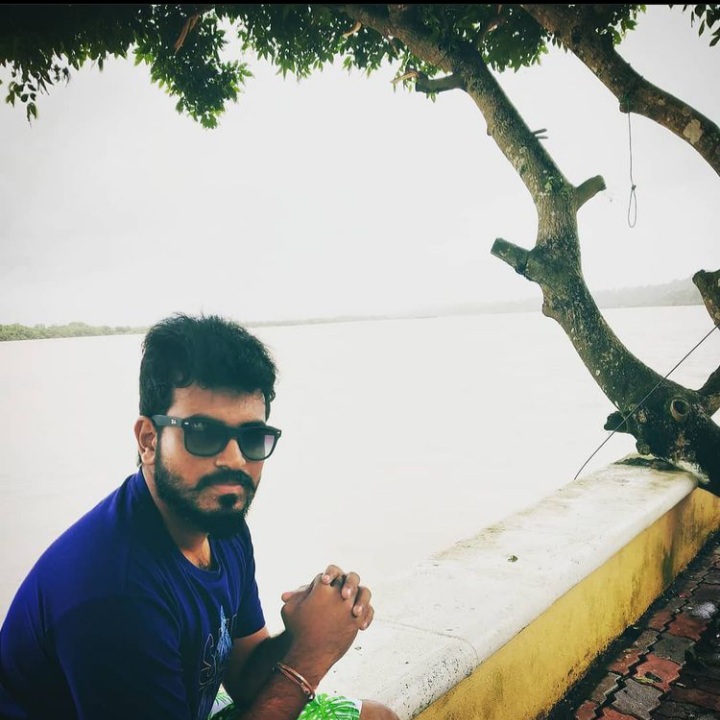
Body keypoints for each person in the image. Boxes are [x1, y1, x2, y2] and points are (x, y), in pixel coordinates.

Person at [0, 313, 399, 720]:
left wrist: (303, 632)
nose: (235, 460)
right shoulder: (114, 592)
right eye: (203, 433)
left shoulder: (221, 525)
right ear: (148, 440)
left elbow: (244, 676)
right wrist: (309, 657)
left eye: (252, 437)